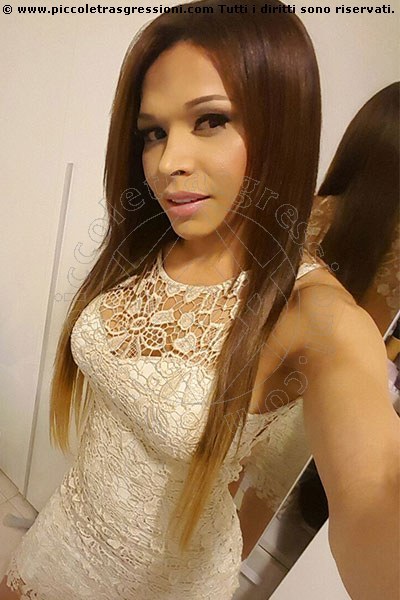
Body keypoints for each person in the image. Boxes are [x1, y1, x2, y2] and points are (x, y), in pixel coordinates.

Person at [1, 1, 398, 598]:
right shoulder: (151, 240)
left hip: (163, 583)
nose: (168, 163)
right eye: (153, 133)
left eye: (210, 120)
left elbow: (374, 494)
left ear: (283, 124)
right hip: (66, 530)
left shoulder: (315, 312)